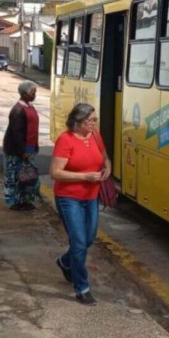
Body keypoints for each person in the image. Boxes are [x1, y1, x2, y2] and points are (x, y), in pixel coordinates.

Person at [51, 103, 112, 306]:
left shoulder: (95, 136)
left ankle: (65, 262)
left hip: (91, 197)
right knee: (78, 242)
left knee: (88, 239)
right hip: (69, 198)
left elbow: (105, 159)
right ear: (78, 121)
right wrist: (85, 176)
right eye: (90, 120)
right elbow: (56, 173)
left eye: (95, 119)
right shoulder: (65, 140)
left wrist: (107, 169)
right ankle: (82, 288)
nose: (94, 123)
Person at [2, 80, 41, 211]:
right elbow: (17, 133)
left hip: (29, 148)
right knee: (14, 176)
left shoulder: (29, 107)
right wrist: (22, 151)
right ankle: (14, 202)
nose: (34, 95)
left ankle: (25, 200)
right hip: (17, 150)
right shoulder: (18, 110)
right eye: (32, 93)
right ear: (24, 94)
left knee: (28, 177)